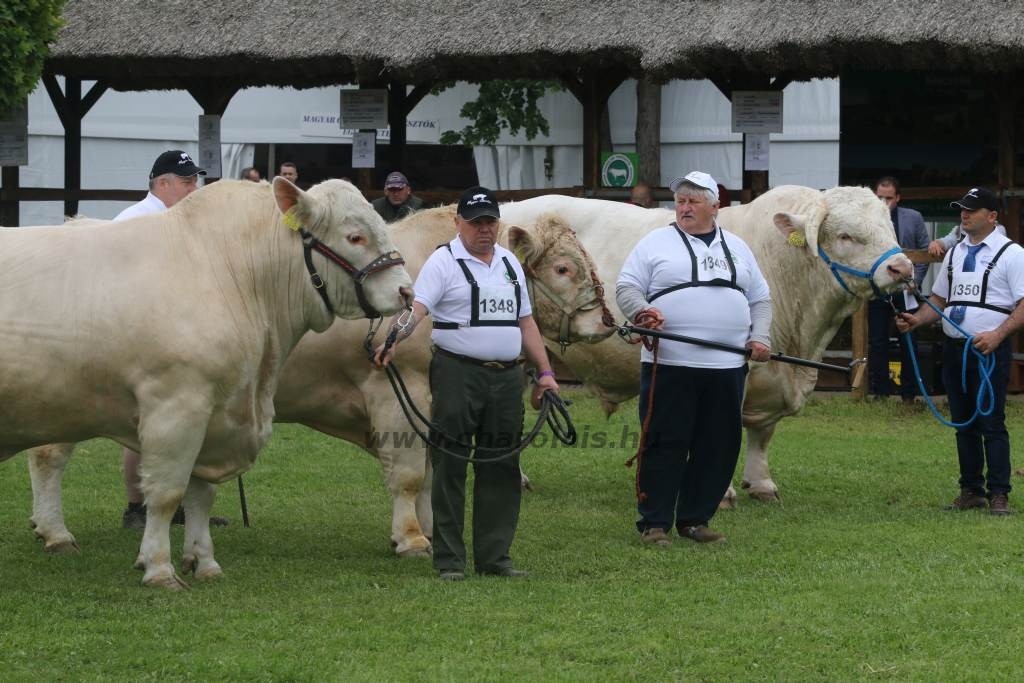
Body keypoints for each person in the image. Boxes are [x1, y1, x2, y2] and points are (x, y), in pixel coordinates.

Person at [373, 186, 559, 580]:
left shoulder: (509, 264)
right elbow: (417, 309)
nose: (484, 229)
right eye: (476, 223)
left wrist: (545, 374)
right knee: (451, 464)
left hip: (507, 378)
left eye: (490, 221)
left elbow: (526, 323)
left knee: (501, 465)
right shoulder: (444, 262)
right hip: (458, 374)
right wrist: (394, 338)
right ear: (459, 224)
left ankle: (495, 557)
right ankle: (450, 559)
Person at [616, 171, 772, 546]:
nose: (684, 208)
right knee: (664, 441)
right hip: (670, 363)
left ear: (715, 206)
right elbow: (627, 288)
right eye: (680, 201)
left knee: (717, 444)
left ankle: (695, 520)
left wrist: (760, 335)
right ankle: (654, 524)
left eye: (693, 201)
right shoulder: (655, 243)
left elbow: (760, 298)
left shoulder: (737, 247)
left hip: (727, 367)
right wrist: (642, 312)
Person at [114, 150, 227, 530]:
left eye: (195, 180)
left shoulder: (184, 223)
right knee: (139, 426)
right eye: (186, 181)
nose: (194, 187)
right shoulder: (132, 223)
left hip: (179, 337)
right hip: (137, 339)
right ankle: (137, 506)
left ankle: (178, 506)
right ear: (162, 184)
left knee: (185, 423)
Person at [896, 187, 1024, 516]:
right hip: (954, 347)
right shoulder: (953, 253)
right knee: (962, 421)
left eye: (972, 209)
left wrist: (998, 335)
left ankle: (999, 493)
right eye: (962, 209)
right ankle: (971, 490)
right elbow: (939, 300)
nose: (964, 214)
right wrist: (917, 320)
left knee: (990, 421)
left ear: (992, 216)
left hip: (987, 350)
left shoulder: (1012, 253)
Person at [868, 176, 930, 401]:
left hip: (906, 289)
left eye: (889, 198)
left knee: (908, 340)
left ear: (898, 198)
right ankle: (880, 392)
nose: (884, 202)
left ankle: (909, 393)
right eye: (880, 197)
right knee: (877, 341)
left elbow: (924, 253)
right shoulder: (868, 219)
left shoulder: (913, 218)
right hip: (879, 289)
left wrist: (916, 280)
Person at [928, 220, 1007, 258]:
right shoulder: (960, 229)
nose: (965, 214)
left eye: (972, 211)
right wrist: (936, 243)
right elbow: (949, 240)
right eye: (964, 210)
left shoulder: (997, 229)